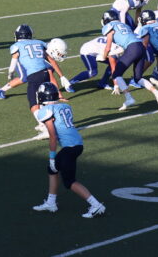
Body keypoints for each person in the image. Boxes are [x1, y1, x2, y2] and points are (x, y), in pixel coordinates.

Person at [31, 82, 107, 218]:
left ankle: (96, 205)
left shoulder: (45, 111)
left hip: (70, 147)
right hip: (77, 143)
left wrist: (52, 157)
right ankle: (51, 202)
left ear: (42, 96)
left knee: (69, 181)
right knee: (52, 170)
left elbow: (53, 136)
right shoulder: (65, 106)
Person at [0, 25, 71, 139]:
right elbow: (51, 60)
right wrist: (62, 76)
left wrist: (10, 73)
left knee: (33, 104)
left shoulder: (16, 46)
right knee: (43, 101)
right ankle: (49, 124)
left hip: (34, 76)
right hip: (45, 73)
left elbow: (13, 62)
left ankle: (46, 128)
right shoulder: (39, 43)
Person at [100, 9, 158, 110]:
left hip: (133, 48)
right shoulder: (124, 25)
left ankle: (129, 98)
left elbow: (108, 47)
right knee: (138, 78)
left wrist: (104, 56)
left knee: (116, 74)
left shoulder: (109, 27)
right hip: (141, 47)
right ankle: (157, 93)